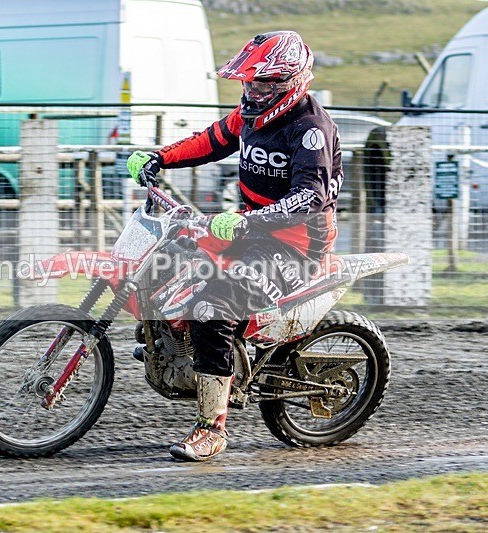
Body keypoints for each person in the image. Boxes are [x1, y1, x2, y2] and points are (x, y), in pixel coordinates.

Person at [126, 31, 344, 462]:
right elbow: (211, 140)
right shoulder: (250, 117)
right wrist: (159, 157)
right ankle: (177, 343)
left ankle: (212, 428)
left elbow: (310, 197)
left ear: (291, 82)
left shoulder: (310, 130)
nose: (253, 91)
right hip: (250, 230)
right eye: (249, 82)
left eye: (263, 83)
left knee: (213, 306)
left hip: (295, 246)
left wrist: (248, 219)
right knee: (169, 258)